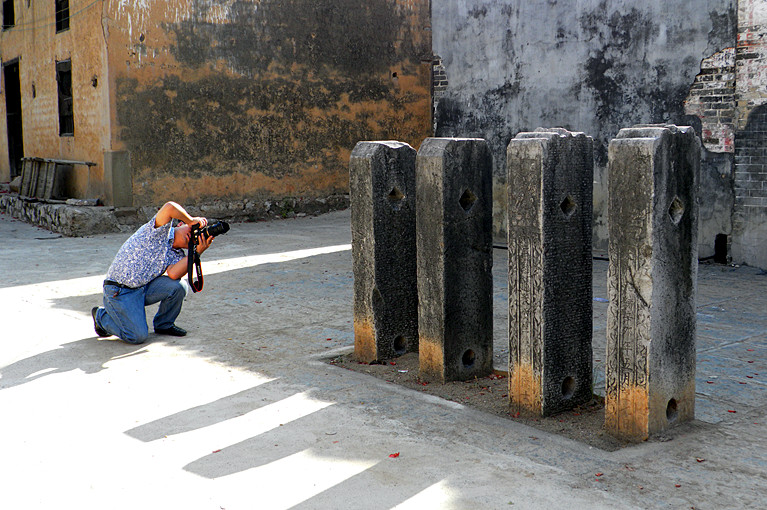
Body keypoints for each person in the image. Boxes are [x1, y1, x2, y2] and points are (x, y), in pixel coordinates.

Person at [91, 201, 214, 344]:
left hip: (142, 288)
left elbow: (174, 275)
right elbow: (169, 207)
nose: (191, 236)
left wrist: (197, 251)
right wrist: (192, 220)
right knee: (137, 336)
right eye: (191, 231)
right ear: (181, 224)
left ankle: (164, 325)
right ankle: (101, 316)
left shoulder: (179, 255)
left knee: (179, 286)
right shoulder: (160, 230)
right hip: (119, 291)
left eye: (195, 238)